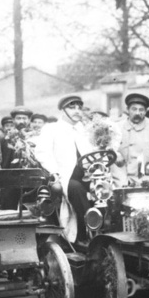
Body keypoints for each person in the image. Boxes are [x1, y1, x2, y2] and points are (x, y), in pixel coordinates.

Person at [33, 94, 96, 242]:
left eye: (79, 108)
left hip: (88, 174)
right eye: (72, 107)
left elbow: (94, 153)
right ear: (63, 110)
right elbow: (43, 153)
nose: (77, 111)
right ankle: (91, 227)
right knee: (76, 188)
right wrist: (54, 172)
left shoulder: (85, 130)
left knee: (105, 191)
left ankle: (105, 226)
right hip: (65, 176)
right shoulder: (52, 129)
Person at [111, 93, 149, 187]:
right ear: (128, 110)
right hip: (119, 179)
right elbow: (107, 146)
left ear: (145, 111)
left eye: (141, 110)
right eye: (134, 109)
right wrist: (115, 154)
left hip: (145, 179)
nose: (137, 113)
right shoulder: (117, 127)